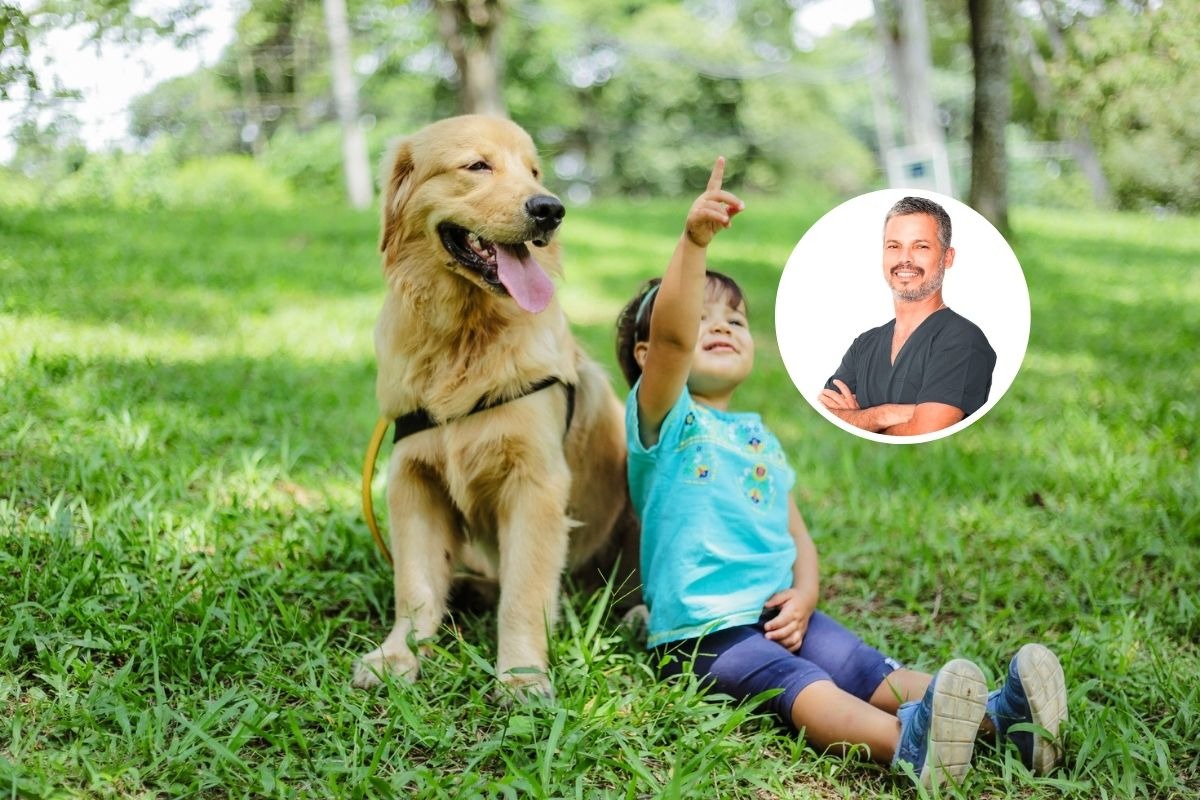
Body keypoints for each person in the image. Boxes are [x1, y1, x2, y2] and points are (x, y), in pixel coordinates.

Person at [614, 159, 1067, 788]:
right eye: (700, 318)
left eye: (735, 320)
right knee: (800, 683)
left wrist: (805, 596)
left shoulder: (758, 438)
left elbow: (797, 537)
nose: (719, 325)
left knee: (863, 666)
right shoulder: (666, 421)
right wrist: (693, 244)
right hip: (703, 632)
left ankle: (1005, 720)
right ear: (647, 355)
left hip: (778, 611)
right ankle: (908, 746)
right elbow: (669, 340)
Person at [820, 196, 997, 436]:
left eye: (920, 246)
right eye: (894, 246)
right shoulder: (864, 344)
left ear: (947, 257)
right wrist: (884, 415)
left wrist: (859, 419)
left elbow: (927, 432)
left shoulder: (962, 340)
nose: (905, 259)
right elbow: (825, 416)